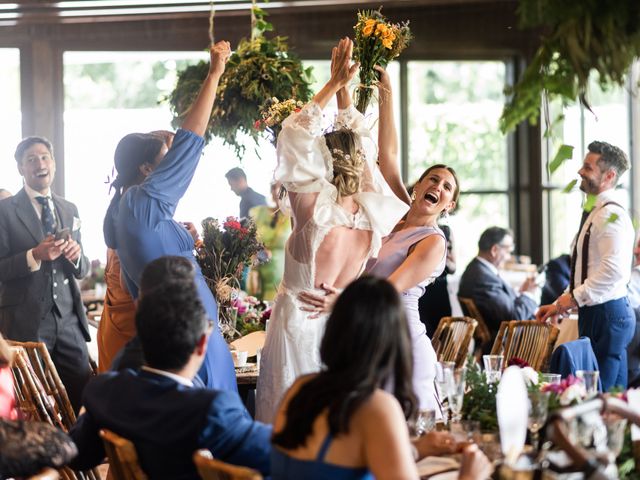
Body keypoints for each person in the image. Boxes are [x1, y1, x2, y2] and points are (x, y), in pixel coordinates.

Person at [255, 38, 408, 423]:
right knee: (338, 423)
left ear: (322, 164)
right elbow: (362, 144)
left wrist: (333, 84)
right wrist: (344, 98)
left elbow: (293, 134)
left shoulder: (313, 209)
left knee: (292, 424)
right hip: (344, 329)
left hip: (297, 329)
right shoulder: (372, 212)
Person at [272, 277, 492, 480]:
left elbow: (339, 458)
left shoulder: (300, 389)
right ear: (395, 340)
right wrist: (470, 477)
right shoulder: (376, 407)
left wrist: (416, 448)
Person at [111, 41, 236, 392]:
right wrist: (214, 74)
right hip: (189, 351)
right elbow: (190, 142)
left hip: (184, 341)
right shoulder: (140, 202)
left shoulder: (133, 211)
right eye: (166, 156)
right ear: (147, 169)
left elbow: (129, 287)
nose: (173, 162)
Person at [69, 275, 272, 479]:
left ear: (140, 338)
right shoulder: (212, 410)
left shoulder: (104, 391)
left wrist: (88, 411)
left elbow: (79, 456)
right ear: (202, 345)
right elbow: (281, 458)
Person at [0, 136, 92, 412]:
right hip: (26, 321)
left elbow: (83, 268)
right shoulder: (4, 211)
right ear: (20, 169)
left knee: (80, 391)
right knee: (37, 402)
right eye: (31, 159)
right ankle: (46, 455)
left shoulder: (69, 208)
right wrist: (34, 255)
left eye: (44, 157)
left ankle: (78, 454)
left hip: (69, 321)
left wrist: (76, 258)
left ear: (52, 163)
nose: (40, 164)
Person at [537, 141, 635, 390]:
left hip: (607, 315)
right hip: (599, 313)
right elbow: (586, 270)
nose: (580, 171)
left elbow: (613, 272)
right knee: (604, 396)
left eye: (588, 167)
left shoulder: (610, 215)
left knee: (601, 399)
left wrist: (570, 300)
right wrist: (561, 303)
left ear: (609, 176)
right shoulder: (596, 211)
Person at [458, 227, 538, 341]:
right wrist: (528, 293)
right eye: (508, 251)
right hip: (506, 344)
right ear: (494, 250)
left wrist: (520, 294)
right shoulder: (483, 278)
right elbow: (514, 319)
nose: (509, 257)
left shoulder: (477, 270)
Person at [248, 181, 291, 301]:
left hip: (281, 273)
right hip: (258, 269)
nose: (277, 191)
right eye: (274, 187)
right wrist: (259, 249)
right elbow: (250, 238)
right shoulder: (259, 212)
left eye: (281, 188)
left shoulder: (293, 217)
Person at [418, 223, 456, 338]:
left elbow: (453, 267)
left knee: (442, 332)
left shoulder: (445, 230)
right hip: (421, 291)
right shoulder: (417, 229)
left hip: (438, 290)